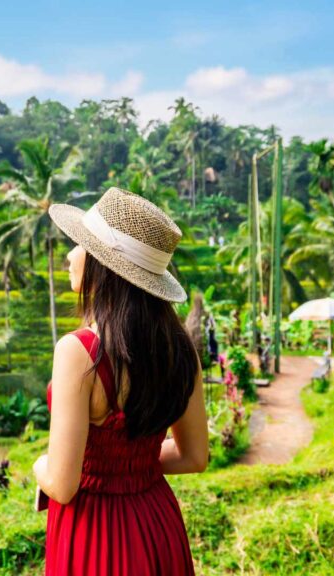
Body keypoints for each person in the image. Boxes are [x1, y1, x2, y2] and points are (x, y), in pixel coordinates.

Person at [33, 187, 209, 575]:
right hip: (156, 524)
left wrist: (40, 464)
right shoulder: (180, 349)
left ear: (104, 265)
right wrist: (132, 465)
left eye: (81, 244)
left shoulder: (79, 352)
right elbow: (194, 457)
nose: (70, 255)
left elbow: (62, 484)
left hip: (94, 533)